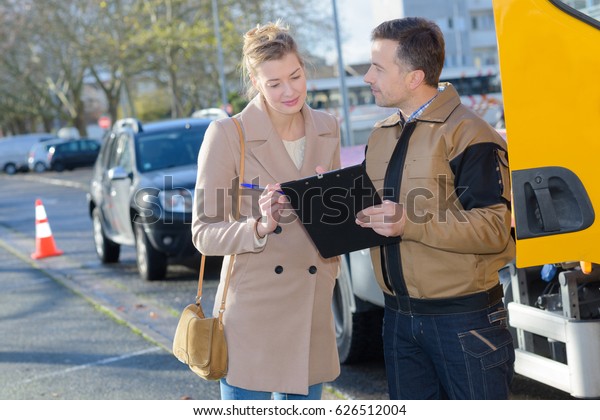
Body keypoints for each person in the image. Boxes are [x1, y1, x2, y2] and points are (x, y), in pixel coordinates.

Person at [355, 17, 516, 400]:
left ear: (414, 77)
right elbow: (374, 213)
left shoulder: (469, 133)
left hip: (464, 322)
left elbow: (494, 229)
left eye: (377, 67)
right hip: (397, 320)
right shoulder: (380, 135)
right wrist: (328, 193)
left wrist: (410, 223)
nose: (366, 77)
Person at [191, 21, 341, 400]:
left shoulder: (327, 127)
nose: (290, 91)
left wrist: (338, 206)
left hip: (311, 305)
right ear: (255, 83)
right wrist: (258, 226)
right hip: (254, 316)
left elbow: (335, 222)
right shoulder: (228, 134)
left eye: (296, 75)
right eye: (274, 84)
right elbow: (204, 232)